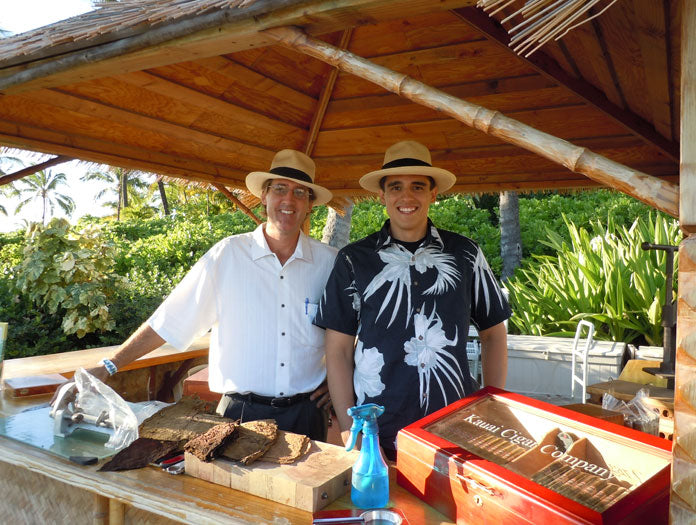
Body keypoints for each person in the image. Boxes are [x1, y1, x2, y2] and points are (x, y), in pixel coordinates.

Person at [58, 149, 338, 441]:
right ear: (265, 196)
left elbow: (354, 335)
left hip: (307, 413)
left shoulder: (330, 263)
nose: (289, 200)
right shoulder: (227, 256)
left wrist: (340, 381)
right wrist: (110, 365)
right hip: (240, 415)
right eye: (280, 189)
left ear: (310, 205)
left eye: (300, 193)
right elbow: (170, 320)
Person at [314, 140, 511, 458]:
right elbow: (337, 349)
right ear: (382, 195)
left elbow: (493, 332)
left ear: (433, 193)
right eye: (395, 187)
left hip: (453, 427)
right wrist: (350, 427)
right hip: (376, 429)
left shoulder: (465, 254)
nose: (406, 197)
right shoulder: (354, 260)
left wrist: (492, 405)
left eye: (417, 186)